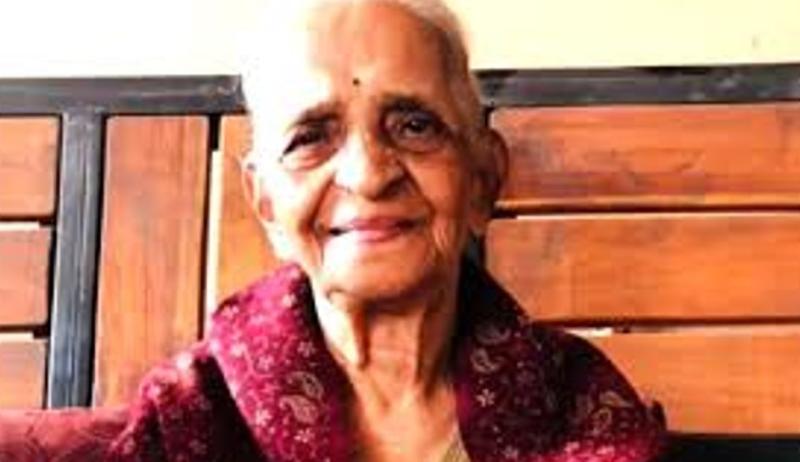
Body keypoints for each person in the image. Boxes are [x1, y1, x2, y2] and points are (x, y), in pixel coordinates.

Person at [107, 0, 665, 461]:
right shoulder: (192, 417)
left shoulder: (577, 404)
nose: (368, 175)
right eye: (311, 137)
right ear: (267, 204)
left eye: (415, 126)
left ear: (482, 180)